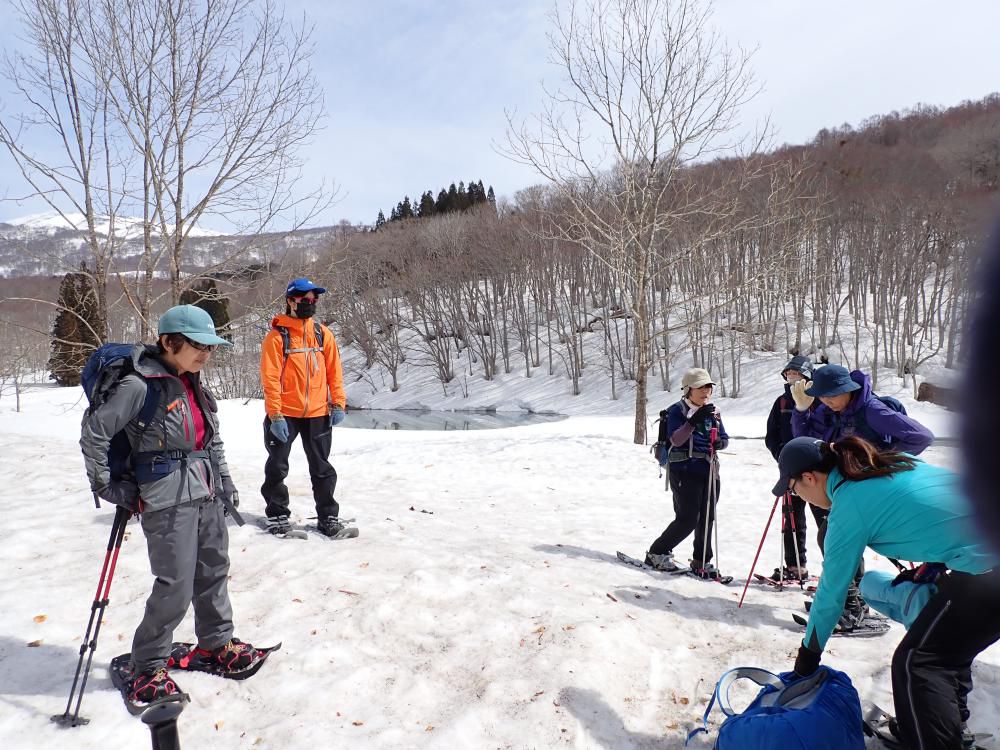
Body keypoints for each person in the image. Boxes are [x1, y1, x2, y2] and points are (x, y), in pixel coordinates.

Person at [80, 304, 260, 703]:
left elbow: (210, 439)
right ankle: (147, 666)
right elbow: (95, 432)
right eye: (198, 345)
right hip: (165, 500)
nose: (205, 354)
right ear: (168, 341)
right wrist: (106, 486)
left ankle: (215, 644)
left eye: (210, 347)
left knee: (213, 571)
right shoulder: (138, 386)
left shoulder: (193, 383)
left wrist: (226, 481)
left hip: (206, 493)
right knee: (175, 586)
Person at [773, 436, 1000, 750]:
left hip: (988, 563)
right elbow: (941, 503)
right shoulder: (891, 463)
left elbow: (830, 594)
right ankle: (939, 728)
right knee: (942, 649)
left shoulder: (849, 507)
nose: (797, 494)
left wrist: (806, 661)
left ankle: (938, 740)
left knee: (919, 661)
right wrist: (937, 560)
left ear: (809, 478)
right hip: (982, 550)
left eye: (794, 487)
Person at [790, 363, 935, 626]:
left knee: (832, 537)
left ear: (848, 388)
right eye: (822, 396)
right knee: (833, 538)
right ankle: (850, 602)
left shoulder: (871, 409)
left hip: (874, 489)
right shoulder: (828, 411)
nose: (827, 401)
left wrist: (879, 464)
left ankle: (853, 605)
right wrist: (801, 411)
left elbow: (921, 437)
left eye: (832, 395)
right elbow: (806, 444)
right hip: (848, 488)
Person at [259, 277, 348, 536]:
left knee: (322, 467)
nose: (310, 303)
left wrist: (338, 403)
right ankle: (277, 515)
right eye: (304, 299)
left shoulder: (323, 334)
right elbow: (270, 378)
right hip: (284, 413)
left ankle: (328, 517)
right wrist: (275, 414)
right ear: (290, 301)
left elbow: (335, 372)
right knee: (277, 466)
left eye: (314, 299)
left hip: (318, 413)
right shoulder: (277, 338)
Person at [645, 368, 730, 579]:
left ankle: (702, 561)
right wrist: (693, 421)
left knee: (707, 517)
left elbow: (724, 437)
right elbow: (676, 440)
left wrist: (721, 442)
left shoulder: (714, 411)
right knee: (688, 518)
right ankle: (657, 552)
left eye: (708, 386)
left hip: (709, 470)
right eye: (700, 387)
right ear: (688, 389)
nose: (705, 391)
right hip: (684, 470)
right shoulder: (677, 411)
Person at [764, 355, 824, 581]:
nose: (792, 379)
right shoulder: (781, 402)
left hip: (819, 470)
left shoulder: (821, 400)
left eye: (797, 375)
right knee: (791, 518)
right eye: (789, 375)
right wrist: (782, 456)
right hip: (790, 469)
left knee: (825, 519)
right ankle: (795, 565)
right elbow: (771, 436)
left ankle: (835, 568)